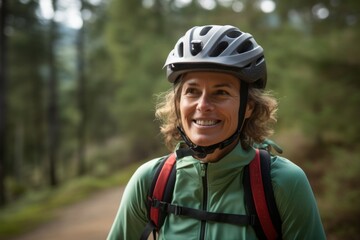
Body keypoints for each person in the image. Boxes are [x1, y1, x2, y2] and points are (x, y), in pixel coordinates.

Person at [107, 25, 326, 240]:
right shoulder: (152, 181)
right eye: (192, 91)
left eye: (220, 92)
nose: (203, 105)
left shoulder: (283, 183)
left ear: (248, 106)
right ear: (178, 102)